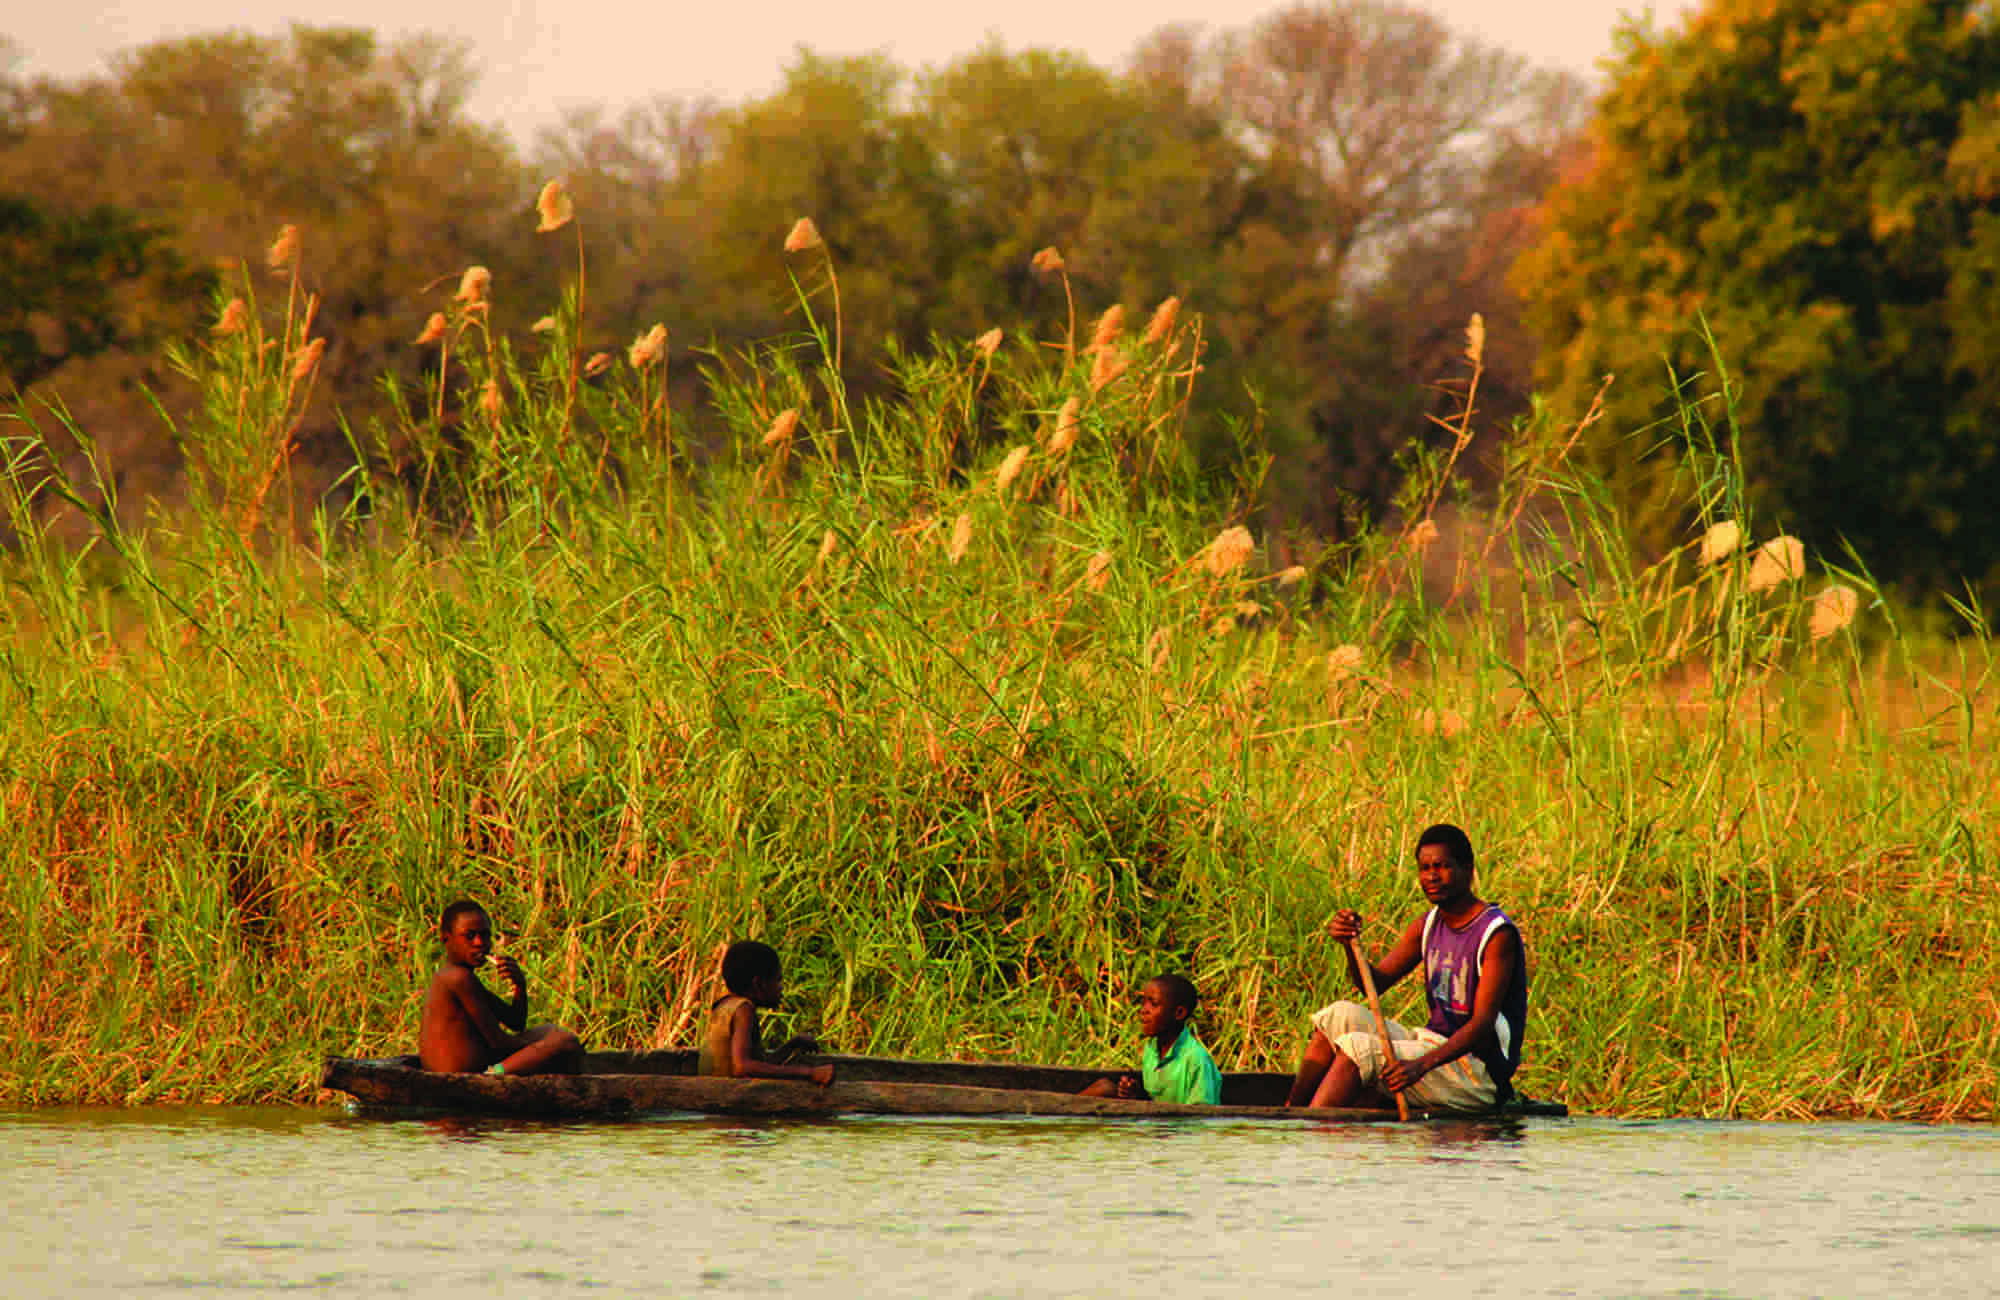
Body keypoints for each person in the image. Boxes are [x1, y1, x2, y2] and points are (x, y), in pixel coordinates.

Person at [1285, 823, 1528, 1112]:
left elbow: (1482, 1024)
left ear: (1468, 869)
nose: (1431, 877)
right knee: (1338, 1016)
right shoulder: (1427, 924)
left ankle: (1312, 1129)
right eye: (1424, 868)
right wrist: (1350, 945)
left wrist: (1419, 1067)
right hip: (1430, 1044)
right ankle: (1291, 1116)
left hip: (1476, 1072)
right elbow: (1371, 986)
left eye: (1441, 866)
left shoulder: (1496, 934)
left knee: (1360, 1050)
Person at [418, 899, 583, 1075]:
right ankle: (495, 1074)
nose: (479, 942)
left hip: (464, 1069)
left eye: (485, 935)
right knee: (565, 1042)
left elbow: (515, 1022)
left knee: (548, 1031)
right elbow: (499, 1044)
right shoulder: (458, 978)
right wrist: (548, 1048)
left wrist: (519, 985)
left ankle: (498, 1071)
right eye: (470, 936)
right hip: (461, 1078)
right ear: (446, 938)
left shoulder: (459, 975)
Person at [698, 940, 835, 1086]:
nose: (781, 988)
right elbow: (742, 1067)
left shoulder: (725, 1003)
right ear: (759, 984)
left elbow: (760, 1064)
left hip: (714, 1087)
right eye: (778, 980)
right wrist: (809, 1073)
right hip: (724, 1094)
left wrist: (792, 1045)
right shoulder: (744, 1009)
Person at [1080, 974, 1223, 1105]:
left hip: (1179, 1130)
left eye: (1153, 1004)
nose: (1143, 1010)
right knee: (1104, 1087)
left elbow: (1203, 1117)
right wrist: (1135, 1094)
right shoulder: (1151, 1048)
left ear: (1178, 1013)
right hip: (1158, 1126)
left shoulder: (1196, 1059)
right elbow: (1154, 1102)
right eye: (1143, 1002)